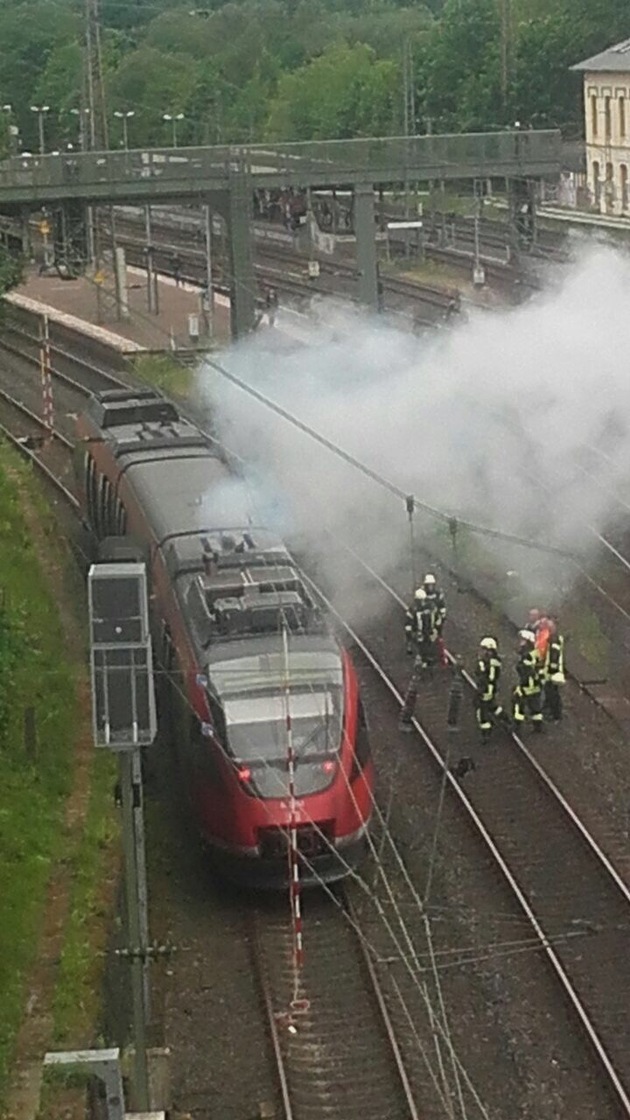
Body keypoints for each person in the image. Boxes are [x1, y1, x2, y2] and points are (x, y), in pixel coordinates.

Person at [512, 629, 544, 733]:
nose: (521, 643)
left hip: (528, 685)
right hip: (536, 684)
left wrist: (521, 687)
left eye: (523, 640)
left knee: (518, 701)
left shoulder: (527, 655)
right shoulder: (535, 653)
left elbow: (525, 671)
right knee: (535, 706)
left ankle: (516, 726)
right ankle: (538, 726)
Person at [474, 637, 503, 744]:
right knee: (492, 706)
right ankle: (505, 720)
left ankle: (486, 734)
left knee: (482, 712)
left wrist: (480, 692)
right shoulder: (496, 662)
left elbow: (482, 677)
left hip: (485, 690)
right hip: (491, 689)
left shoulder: (484, 663)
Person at [404, 587, 441, 669]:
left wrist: (436, 630)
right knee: (422, 647)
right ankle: (423, 661)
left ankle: (428, 661)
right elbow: (408, 623)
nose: (422, 602)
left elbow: (437, 618)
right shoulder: (413, 609)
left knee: (430, 646)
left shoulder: (431, 607)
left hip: (429, 631)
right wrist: (411, 635)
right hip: (420, 633)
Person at [543, 617, 565, 722]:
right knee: (551, 692)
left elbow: (554, 655)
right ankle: (551, 711)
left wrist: (552, 669)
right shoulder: (554, 638)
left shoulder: (554, 639)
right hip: (551, 671)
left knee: (552, 693)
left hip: (552, 672)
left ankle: (555, 714)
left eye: (550, 626)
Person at [422, 573, 447, 666]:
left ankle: (442, 659)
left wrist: (441, 619)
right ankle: (427, 658)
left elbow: (443, 608)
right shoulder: (422, 594)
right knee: (426, 640)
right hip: (426, 622)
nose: (430, 587)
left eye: (432, 585)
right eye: (428, 585)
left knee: (439, 639)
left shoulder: (438, 595)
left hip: (437, 621)